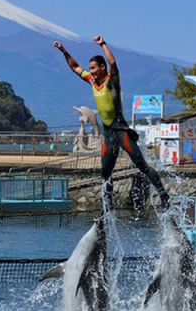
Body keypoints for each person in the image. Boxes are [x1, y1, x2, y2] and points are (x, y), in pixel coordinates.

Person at [54, 36, 170, 212]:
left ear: (102, 68)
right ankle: (107, 207)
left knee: (142, 166)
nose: (91, 71)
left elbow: (113, 63)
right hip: (107, 133)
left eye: (94, 68)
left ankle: (164, 197)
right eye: (90, 68)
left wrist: (102, 45)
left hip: (120, 131)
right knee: (105, 174)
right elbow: (75, 67)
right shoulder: (92, 82)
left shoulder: (111, 81)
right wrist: (63, 51)